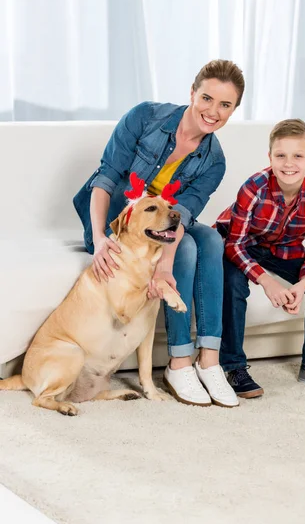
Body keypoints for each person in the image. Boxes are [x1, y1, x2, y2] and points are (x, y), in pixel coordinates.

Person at [73, 59, 244, 408]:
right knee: (187, 250)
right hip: (117, 228)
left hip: (163, 226)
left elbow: (179, 216)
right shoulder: (145, 118)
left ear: (234, 109)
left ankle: (209, 358)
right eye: (207, 99)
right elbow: (104, 180)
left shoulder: (214, 161)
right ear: (192, 93)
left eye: (225, 105)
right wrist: (100, 239)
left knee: (210, 239)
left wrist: (163, 267)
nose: (213, 111)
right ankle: (179, 363)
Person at [215, 118, 305, 398]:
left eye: (298, 156)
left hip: (285, 250)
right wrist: (267, 282)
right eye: (281, 155)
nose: (289, 163)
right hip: (241, 244)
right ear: (270, 158)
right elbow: (234, 245)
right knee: (233, 283)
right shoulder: (253, 188)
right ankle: (232, 367)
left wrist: (301, 285)